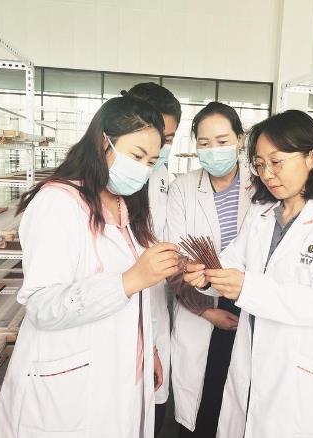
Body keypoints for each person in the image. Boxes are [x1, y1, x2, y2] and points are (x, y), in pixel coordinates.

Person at [0, 95, 180, 438]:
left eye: (151, 161)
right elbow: (42, 306)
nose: (143, 169)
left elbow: (136, 298)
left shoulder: (124, 204)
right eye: (136, 155)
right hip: (71, 383)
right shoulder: (57, 203)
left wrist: (146, 348)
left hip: (123, 370)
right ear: (103, 141)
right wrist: (128, 281)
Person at [184, 110, 313, 438]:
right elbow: (232, 262)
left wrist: (247, 288)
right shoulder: (262, 213)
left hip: (302, 370)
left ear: (311, 157)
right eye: (259, 164)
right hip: (253, 357)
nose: (267, 174)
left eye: (277, 162)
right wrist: (206, 276)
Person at [166, 102, 254, 437]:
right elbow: (175, 259)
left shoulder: (260, 186)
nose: (213, 150)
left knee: (240, 405)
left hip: (250, 304)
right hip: (199, 304)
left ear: (239, 139)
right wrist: (206, 311)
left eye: (222, 141)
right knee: (202, 407)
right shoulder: (183, 188)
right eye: (204, 143)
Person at [125, 82, 182, 437]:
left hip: (154, 311)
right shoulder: (105, 185)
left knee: (153, 415)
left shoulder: (162, 178)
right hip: (118, 316)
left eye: (169, 139)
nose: (159, 148)